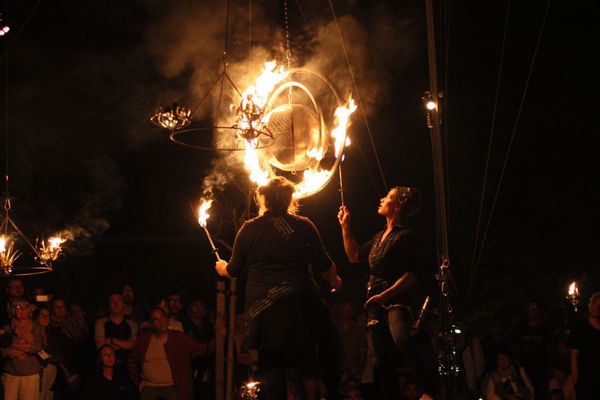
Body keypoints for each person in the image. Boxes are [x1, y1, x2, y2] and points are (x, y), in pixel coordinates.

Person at [215, 176, 342, 400]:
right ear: (289, 199)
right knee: (306, 358)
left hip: (266, 307)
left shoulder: (249, 229)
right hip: (300, 303)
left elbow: (234, 270)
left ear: (262, 198)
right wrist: (335, 280)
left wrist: (223, 267)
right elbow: (324, 264)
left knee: (272, 362)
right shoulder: (304, 225)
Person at [337, 186, 421, 399]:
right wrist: (345, 225)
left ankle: (428, 391)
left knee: (403, 340)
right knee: (382, 362)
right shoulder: (378, 237)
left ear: (398, 206)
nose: (382, 199)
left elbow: (411, 275)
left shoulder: (405, 236)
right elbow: (354, 255)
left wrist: (385, 296)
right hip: (374, 307)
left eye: (389, 197)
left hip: (396, 302)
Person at [127, 307, 208, 400]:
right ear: (151, 324)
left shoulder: (180, 338)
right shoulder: (144, 340)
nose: (161, 321)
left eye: (162, 317)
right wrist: (138, 383)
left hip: (172, 386)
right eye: (156, 319)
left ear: (167, 319)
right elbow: (131, 360)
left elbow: (202, 349)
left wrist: (219, 338)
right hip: (149, 386)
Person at [1, 299, 43, 400]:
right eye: (18, 307)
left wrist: (15, 346)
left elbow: (37, 347)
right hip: (11, 374)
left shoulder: (36, 328)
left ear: (29, 310)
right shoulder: (7, 328)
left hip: (30, 374)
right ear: (13, 311)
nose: (22, 310)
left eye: (25, 307)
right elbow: (2, 350)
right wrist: (15, 351)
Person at [567, 291, 600, 400]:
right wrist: (576, 381)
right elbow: (573, 356)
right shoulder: (580, 327)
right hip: (585, 379)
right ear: (590, 305)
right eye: (595, 304)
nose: (597, 308)